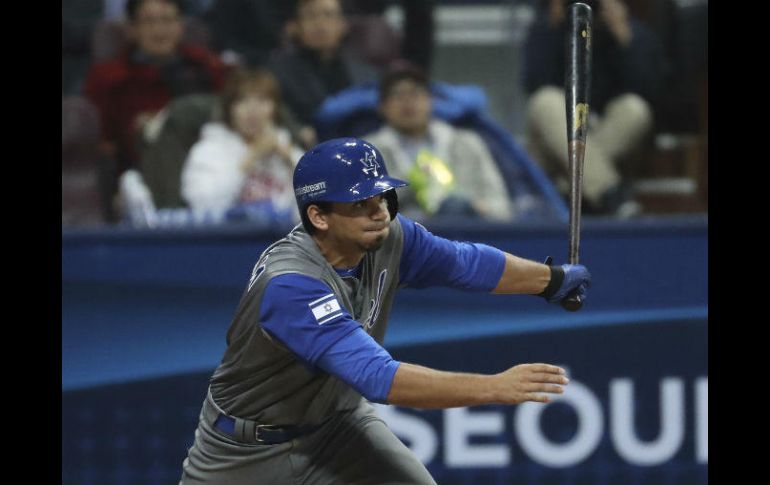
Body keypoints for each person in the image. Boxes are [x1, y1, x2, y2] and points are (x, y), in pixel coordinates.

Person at [179, 137, 591, 484]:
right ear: (318, 216)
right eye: (359, 203)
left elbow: (465, 264)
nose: (379, 211)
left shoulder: (389, 235)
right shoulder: (292, 286)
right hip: (243, 455)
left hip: (336, 426)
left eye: (382, 196)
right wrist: (494, 388)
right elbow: (380, 379)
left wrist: (551, 281)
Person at [523, 0, 664, 217]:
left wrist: (625, 37)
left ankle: (572, 187)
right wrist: (554, 28)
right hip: (556, 141)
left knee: (635, 108)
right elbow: (534, 82)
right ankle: (609, 192)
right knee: (545, 100)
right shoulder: (547, 27)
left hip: (603, 132)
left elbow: (649, 90)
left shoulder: (629, 30)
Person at [84, 0, 227, 177]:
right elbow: (100, 142)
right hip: (139, 171)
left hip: (211, 165)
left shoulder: (207, 67)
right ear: (132, 29)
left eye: (167, 20)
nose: (159, 30)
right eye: (149, 21)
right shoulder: (109, 78)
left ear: (181, 25)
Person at [364, 64, 513, 221]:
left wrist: (474, 208)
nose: (407, 102)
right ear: (382, 107)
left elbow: (502, 207)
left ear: (431, 100)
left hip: (467, 234)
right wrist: (408, 186)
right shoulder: (368, 152)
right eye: (398, 95)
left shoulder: (467, 143)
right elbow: (363, 212)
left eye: (415, 94)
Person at [180, 68, 304, 223]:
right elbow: (203, 206)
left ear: (275, 109)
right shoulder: (206, 151)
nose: (253, 110)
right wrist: (251, 157)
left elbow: (317, 204)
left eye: (262, 100)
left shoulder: (288, 149)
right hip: (229, 242)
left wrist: (290, 161)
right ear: (229, 109)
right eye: (242, 100)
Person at [269, 0, 378, 148]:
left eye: (329, 15)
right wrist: (298, 131)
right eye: (311, 16)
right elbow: (279, 112)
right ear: (294, 27)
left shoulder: (366, 72)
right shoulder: (277, 72)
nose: (320, 24)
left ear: (344, 25)